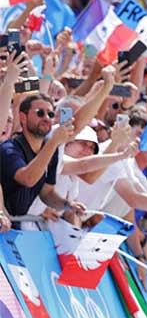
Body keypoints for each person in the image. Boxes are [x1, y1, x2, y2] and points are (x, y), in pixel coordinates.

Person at [0, 93, 87, 223]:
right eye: (40, 113)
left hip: (16, 225)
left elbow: (47, 193)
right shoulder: (10, 149)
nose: (46, 118)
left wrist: (68, 205)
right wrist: (53, 142)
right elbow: (27, 179)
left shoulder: (51, 149)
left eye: (50, 114)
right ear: (23, 117)